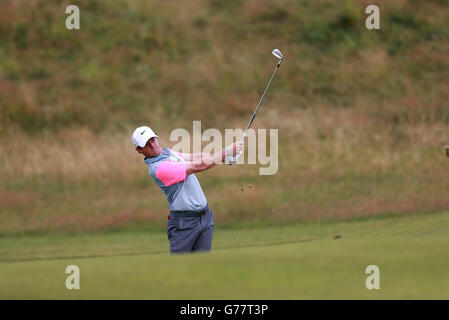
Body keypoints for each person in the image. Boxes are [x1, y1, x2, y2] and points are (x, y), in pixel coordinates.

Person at [132, 125, 244, 254]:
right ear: (139, 149)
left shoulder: (167, 153)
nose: (152, 145)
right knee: (180, 270)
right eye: (147, 144)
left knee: (203, 267)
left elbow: (194, 157)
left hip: (205, 217)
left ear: (156, 137)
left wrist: (224, 158)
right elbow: (198, 165)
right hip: (184, 224)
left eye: (152, 140)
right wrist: (227, 151)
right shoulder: (158, 169)